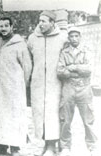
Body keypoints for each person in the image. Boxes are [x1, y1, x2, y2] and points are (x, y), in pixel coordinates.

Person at [0, 17, 32, 156]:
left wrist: (22, 84)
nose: (3, 28)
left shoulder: (19, 44)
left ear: (12, 27)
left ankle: (15, 148)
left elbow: (27, 66)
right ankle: (1, 146)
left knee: (15, 117)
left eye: (6, 26)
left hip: (15, 88)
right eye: (1, 26)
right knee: (1, 116)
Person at [27, 11, 67, 156]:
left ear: (52, 23)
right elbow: (28, 59)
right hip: (38, 83)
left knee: (53, 113)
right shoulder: (32, 38)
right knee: (39, 114)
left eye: (44, 21)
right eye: (39, 21)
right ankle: (45, 144)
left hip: (55, 82)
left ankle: (52, 145)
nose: (40, 24)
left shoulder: (62, 37)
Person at [57, 27, 98, 156]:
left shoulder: (86, 51)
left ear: (80, 37)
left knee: (88, 119)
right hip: (68, 88)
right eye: (72, 36)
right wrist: (77, 71)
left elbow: (89, 69)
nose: (74, 39)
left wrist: (73, 67)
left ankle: (92, 146)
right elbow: (60, 71)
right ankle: (65, 147)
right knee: (65, 119)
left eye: (76, 36)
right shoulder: (64, 52)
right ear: (68, 38)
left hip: (84, 88)